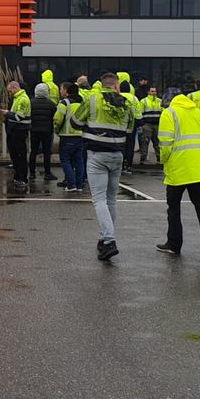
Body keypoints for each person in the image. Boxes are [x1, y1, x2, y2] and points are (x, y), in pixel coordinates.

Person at [71, 73, 130, 261]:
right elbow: (130, 129)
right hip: (118, 154)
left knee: (99, 200)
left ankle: (109, 239)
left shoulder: (92, 99)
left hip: (97, 154)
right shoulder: (125, 103)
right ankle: (104, 239)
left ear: (102, 84)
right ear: (116, 85)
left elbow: (75, 122)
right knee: (111, 199)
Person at [155, 92, 200, 261]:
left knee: (174, 208)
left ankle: (174, 244)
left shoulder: (169, 113)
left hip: (178, 168)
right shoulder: (199, 113)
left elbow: (165, 142)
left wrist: (164, 160)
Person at [53, 82, 85, 193]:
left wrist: (56, 130)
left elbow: (57, 119)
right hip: (80, 136)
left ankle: (71, 184)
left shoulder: (64, 103)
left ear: (67, 91)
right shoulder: (83, 103)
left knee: (65, 161)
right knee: (79, 161)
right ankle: (79, 184)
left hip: (67, 136)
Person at [1, 80, 31, 192]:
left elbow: (19, 117)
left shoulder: (23, 99)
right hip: (15, 130)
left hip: (19, 131)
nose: (10, 93)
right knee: (15, 155)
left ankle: (22, 178)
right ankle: (18, 176)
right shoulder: (17, 98)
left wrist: (7, 113)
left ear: (15, 88)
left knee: (20, 156)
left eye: (10, 91)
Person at [29, 82, 57, 185]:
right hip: (47, 131)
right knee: (46, 152)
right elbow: (55, 116)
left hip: (34, 130)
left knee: (33, 152)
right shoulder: (51, 104)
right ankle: (47, 172)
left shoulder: (31, 103)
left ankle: (32, 173)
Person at [118, 72, 140, 175]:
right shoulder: (134, 98)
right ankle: (129, 166)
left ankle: (121, 165)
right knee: (130, 146)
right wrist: (139, 122)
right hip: (132, 125)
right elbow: (137, 112)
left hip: (120, 125)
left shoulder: (117, 96)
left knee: (121, 145)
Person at [138, 86, 163, 164]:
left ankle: (159, 159)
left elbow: (163, 112)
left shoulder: (160, 101)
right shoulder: (143, 101)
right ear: (148, 92)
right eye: (152, 91)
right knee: (145, 142)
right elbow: (139, 113)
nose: (153, 93)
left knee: (158, 143)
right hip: (147, 125)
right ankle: (143, 159)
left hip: (157, 125)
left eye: (155, 91)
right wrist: (142, 124)